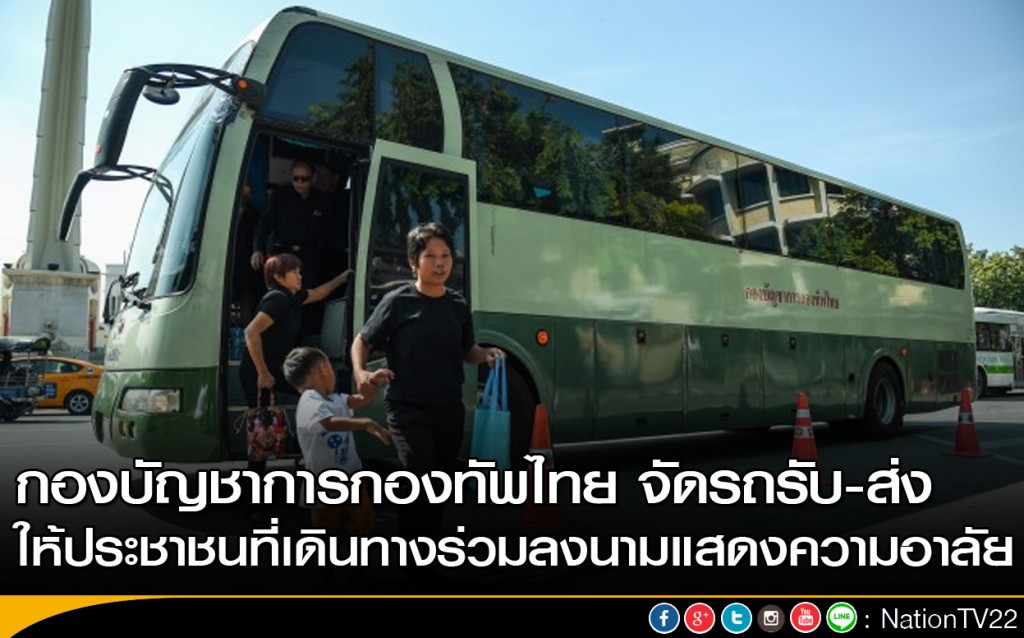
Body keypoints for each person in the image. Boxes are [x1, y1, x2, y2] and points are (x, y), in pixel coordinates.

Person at [350, 222, 504, 544]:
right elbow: (362, 341)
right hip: (407, 408)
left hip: (448, 409)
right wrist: (361, 373)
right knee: (419, 479)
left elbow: (468, 351)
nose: (440, 263)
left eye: (445, 255)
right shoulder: (398, 302)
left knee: (437, 486)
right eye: (430, 256)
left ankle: (427, 550)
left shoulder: (457, 305)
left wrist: (487, 354)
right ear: (413, 261)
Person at [282, 346, 393, 591]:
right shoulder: (309, 402)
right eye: (331, 368)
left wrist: (373, 382)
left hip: (352, 478)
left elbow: (361, 400)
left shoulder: (334, 399)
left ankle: (358, 573)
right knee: (326, 535)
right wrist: (366, 423)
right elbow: (328, 423)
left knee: (364, 525)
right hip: (324, 484)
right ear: (324, 369)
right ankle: (328, 581)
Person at [251, 160, 334, 337]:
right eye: (296, 178)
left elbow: (330, 233)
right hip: (284, 254)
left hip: (309, 256)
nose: (300, 183)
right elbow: (264, 226)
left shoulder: (322, 200)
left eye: (304, 179)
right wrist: (258, 249)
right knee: (281, 298)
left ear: (313, 179)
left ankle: (302, 340)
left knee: (308, 301)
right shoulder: (280, 196)